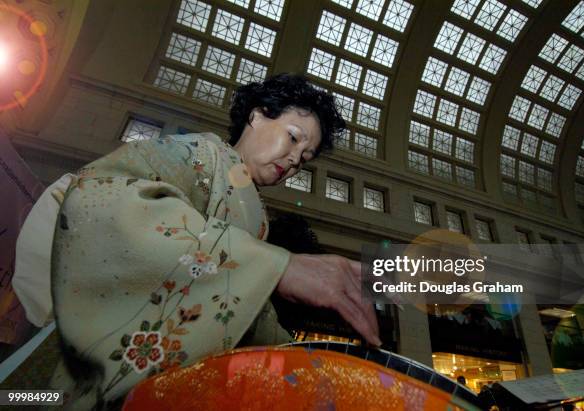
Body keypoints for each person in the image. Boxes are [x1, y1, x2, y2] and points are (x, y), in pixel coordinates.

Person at [19, 73, 379, 409]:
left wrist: (303, 364)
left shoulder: (253, 209)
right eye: (294, 137)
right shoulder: (200, 154)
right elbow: (106, 193)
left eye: (305, 159)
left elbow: (245, 308)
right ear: (256, 116)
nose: (294, 159)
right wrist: (280, 267)